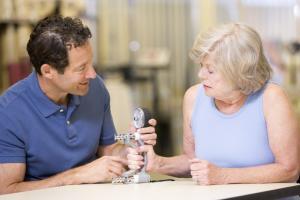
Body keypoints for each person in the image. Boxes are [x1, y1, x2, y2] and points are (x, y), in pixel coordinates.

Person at [0, 15, 156, 194]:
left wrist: (131, 151)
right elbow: (6, 190)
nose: (92, 74)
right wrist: (75, 176)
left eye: (91, 63)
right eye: (81, 68)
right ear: (48, 71)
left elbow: (108, 150)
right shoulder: (9, 112)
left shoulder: (95, 88)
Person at [128, 23, 300, 185]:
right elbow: (193, 161)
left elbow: (290, 170)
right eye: (202, 65)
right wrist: (158, 163)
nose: (201, 74)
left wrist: (224, 175)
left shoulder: (272, 98)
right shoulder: (194, 97)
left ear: (239, 72)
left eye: (210, 70)